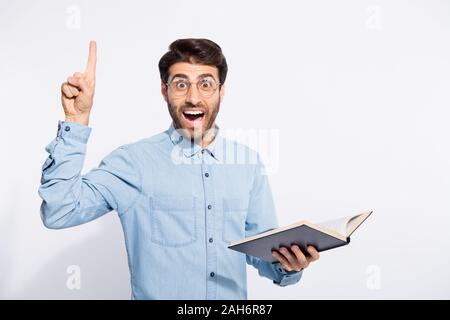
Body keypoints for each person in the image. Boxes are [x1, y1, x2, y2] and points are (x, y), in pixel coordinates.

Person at [38, 38, 320, 299]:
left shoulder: (248, 163)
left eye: (206, 84)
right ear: (164, 90)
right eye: (181, 84)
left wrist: (289, 264)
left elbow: (266, 258)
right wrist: (76, 121)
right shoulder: (133, 162)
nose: (194, 98)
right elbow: (59, 211)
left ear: (222, 91)